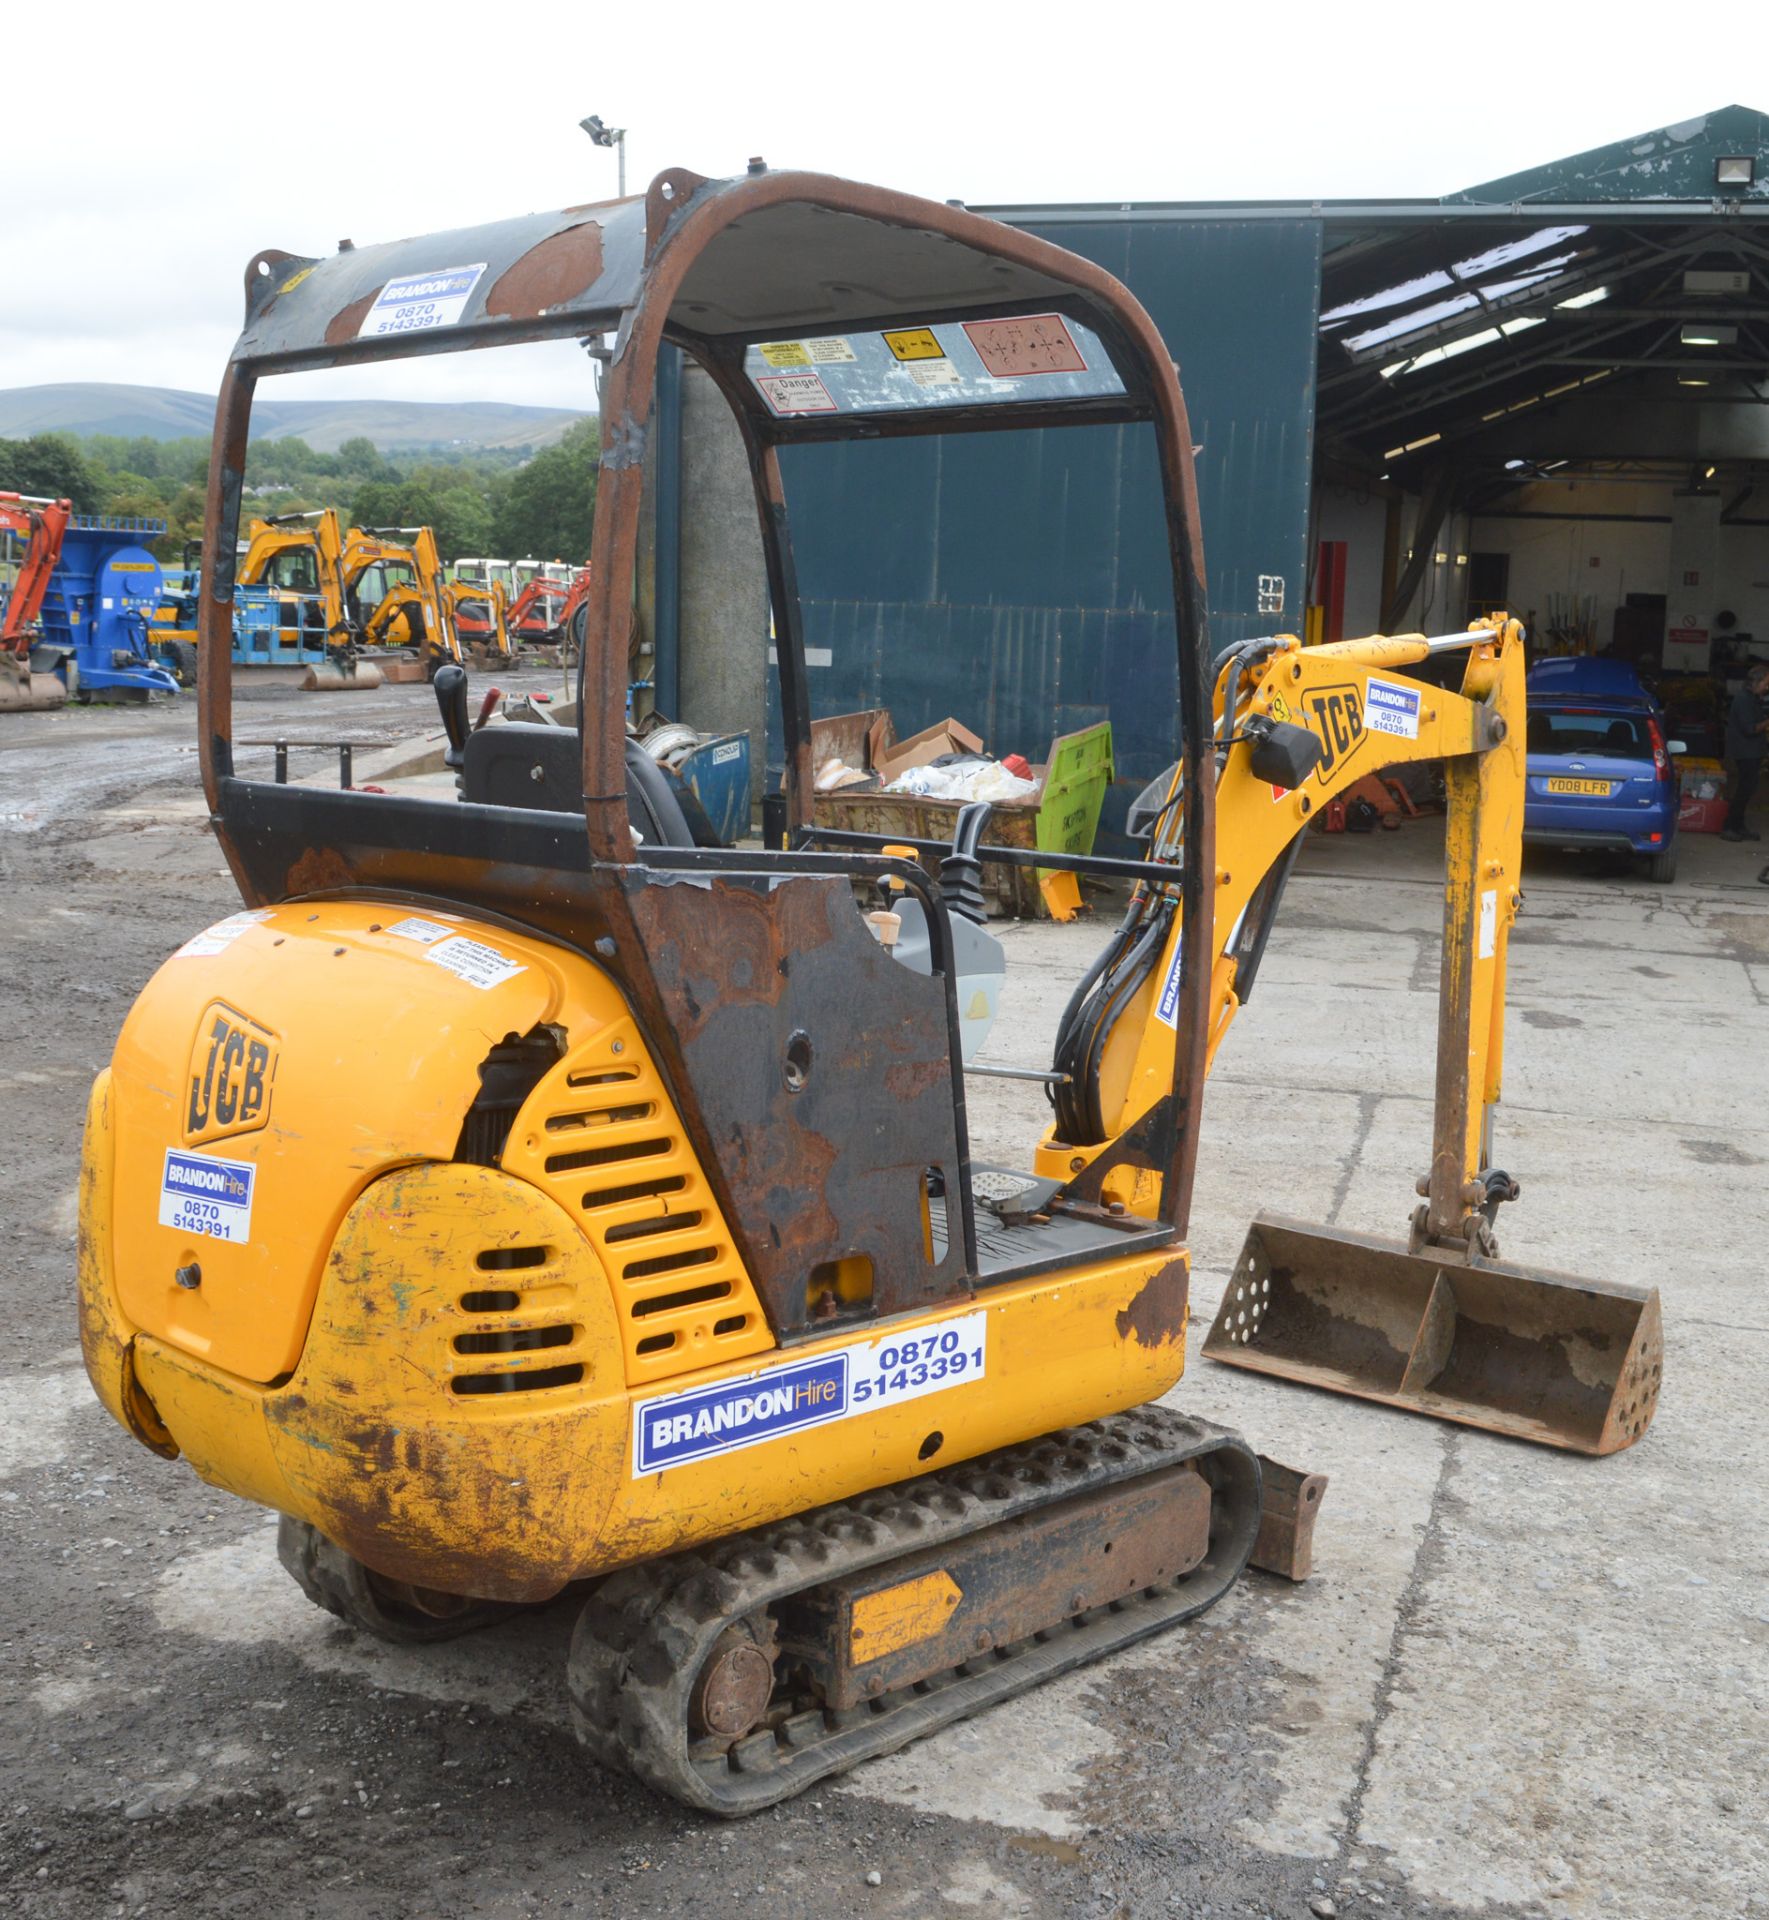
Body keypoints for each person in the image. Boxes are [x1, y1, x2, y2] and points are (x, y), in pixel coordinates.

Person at [1721, 661, 1769, 842]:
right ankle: (1729, 827)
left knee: (1748, 789)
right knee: (1744, 789)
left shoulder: (1751, 699)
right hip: (1745, 752)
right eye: (1765, 683)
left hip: (1752, 752)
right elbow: (1750, 729)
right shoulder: (1743, 699)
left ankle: (1738, 826)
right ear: (1756, 682)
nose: (1767, 687)